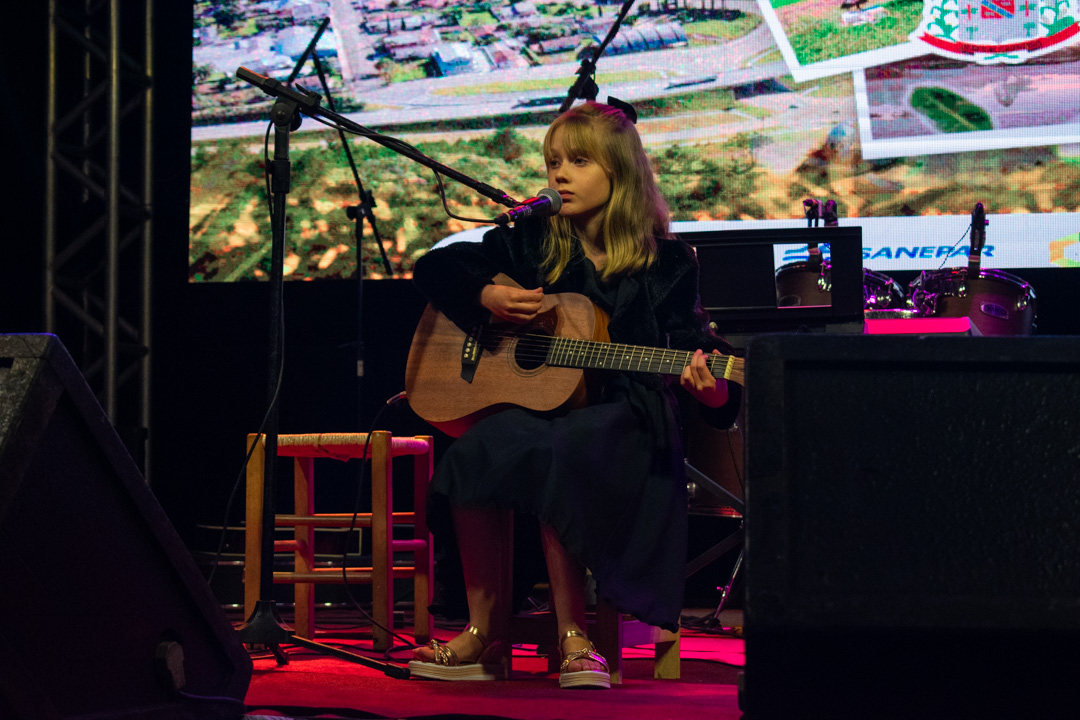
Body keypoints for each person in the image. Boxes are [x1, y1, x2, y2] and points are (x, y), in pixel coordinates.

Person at [407, 101, 741, 689]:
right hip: (542, 415)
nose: (558, 174)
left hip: (629, 417)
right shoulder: (531, 240)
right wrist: (486, 294)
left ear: (620, 173)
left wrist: (711, 390)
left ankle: (574, 634)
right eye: (553, 161)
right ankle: (483, 632)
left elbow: (701, 361)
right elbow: (436, 268)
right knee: (475, 449)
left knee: (562, 447)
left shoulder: (668, 263)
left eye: (578, 161)